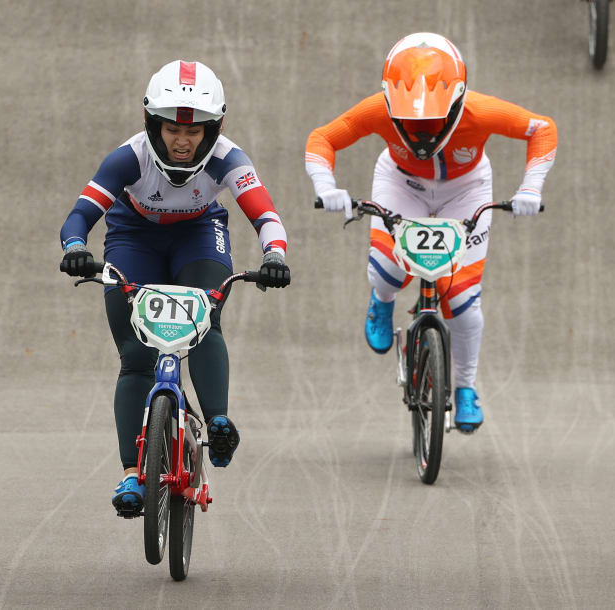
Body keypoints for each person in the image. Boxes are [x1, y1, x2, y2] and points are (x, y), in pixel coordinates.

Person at [59, 60, 290, 517]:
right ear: (151, 123)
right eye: (171, 130)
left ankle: (218, 421)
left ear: (214, 130)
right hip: (132, 237)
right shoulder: (128, 157)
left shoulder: (228, 158)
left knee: (204, 318)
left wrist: (275, 256)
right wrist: (74, 246)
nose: (183, 142)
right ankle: (131, 473)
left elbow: (264, 214)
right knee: (136, 354)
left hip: (198, 235)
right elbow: (80, 215)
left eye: (196, 132)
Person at [304, 32, 557, 432]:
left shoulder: (482, 111)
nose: (421, 131)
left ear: (457, 102)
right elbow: (323, 139)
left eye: (432, 119)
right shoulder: (378, 111)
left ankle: (466, 388)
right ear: (390, 101)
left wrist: (531, 188)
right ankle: (383, 297)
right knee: (386, 270)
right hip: (402, 185)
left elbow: (542, 129)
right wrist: (326, 188)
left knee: (463, 302)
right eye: (410, 119)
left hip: (467, 190)